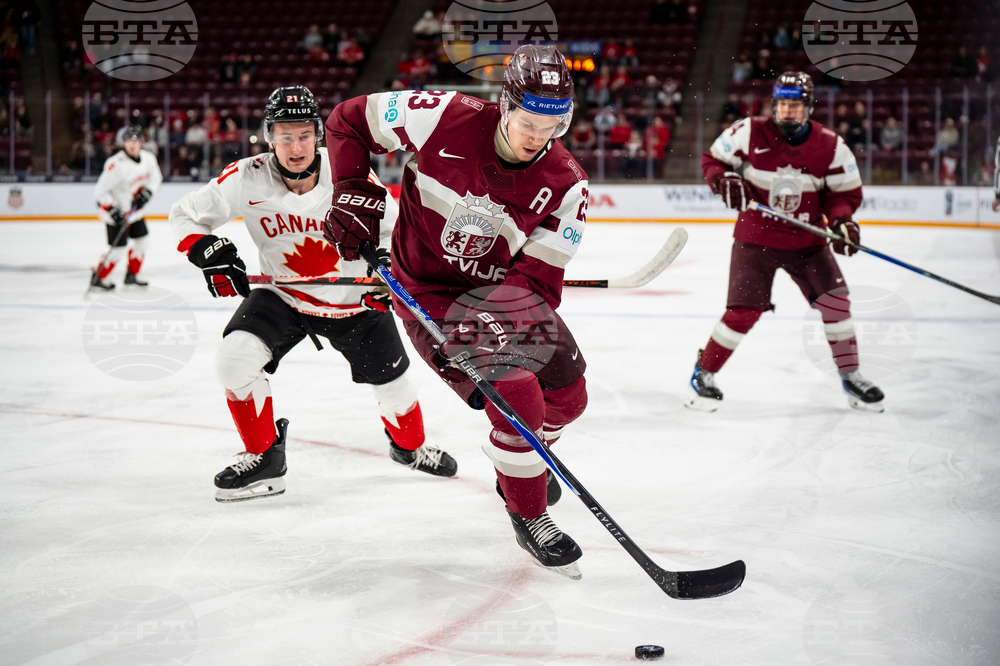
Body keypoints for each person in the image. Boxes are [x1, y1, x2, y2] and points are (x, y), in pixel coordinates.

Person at [323, 45, 589, 579]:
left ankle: (521, 463)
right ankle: (529, 513)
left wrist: (494, 319)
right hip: (427, 290)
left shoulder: (567, 185)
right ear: (506, 105)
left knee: (567, 397)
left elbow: (535, 280)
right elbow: (347, 121)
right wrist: (352, 185)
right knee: (514, 392)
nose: (539, 136)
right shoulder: (441, 115)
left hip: (507, 294)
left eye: (554, 123)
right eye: (529, 121)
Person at [169, 87, 457, 502]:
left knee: (396, 388)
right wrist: (204, 249)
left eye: (304, 134)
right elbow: (184, 215)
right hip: (283, 296)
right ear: (269, 137)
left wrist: (387, 276)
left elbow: (396, 234)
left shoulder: (350, 177)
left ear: (319, 135)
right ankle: (265, 459)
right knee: (233, 360)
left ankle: (409, 450)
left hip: (353, 303)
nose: (295, 146)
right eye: (285, 135)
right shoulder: (247, 177)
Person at [687, 71, 885, 413]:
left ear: (808, 107)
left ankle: (851, 375)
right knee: (743, 312)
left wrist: (841, 220)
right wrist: (723, 180)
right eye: (782, 104)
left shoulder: (831, 146)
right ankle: (703, 373)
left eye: (795, 105)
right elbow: (712, 161)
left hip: (808, 241)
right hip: (755, 238)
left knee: (836, 304)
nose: (787, 111)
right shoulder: (749, 131)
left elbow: (844, 194)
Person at [89, 126, 162, 290]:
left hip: (135, 213)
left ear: (141, 142)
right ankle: (98, 277)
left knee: (142, 242)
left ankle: (131, 275)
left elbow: (156, 178)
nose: (132, 144)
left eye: (135, 140)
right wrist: (112, 209)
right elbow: (100, 191)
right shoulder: (116, 164)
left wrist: (148, 192)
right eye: (128, 141)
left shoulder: (148, 159)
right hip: (117, 216)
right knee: (118, 250)